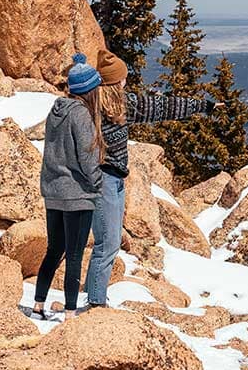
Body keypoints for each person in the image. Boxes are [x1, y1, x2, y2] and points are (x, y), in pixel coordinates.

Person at [85, 50, 218, 307]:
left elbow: (164, 107)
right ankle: (95, 303)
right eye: (122, 78)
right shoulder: (89, 108)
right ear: (115, 81)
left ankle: (93, 296)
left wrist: (202, 106)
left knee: (107, 242)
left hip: (114, 180)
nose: (126, 81)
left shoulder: (124, 104)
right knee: (109, 243)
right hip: (100, 182)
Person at [31, 53, 105, 321]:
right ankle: (71, 312)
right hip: (77, 195)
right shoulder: (82, 116)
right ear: (89, 90)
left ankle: (38, 304)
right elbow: (86, 156)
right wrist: (97, 183)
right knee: (74, 255)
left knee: (54, 250)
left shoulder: (56, 112)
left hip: (53, 192)